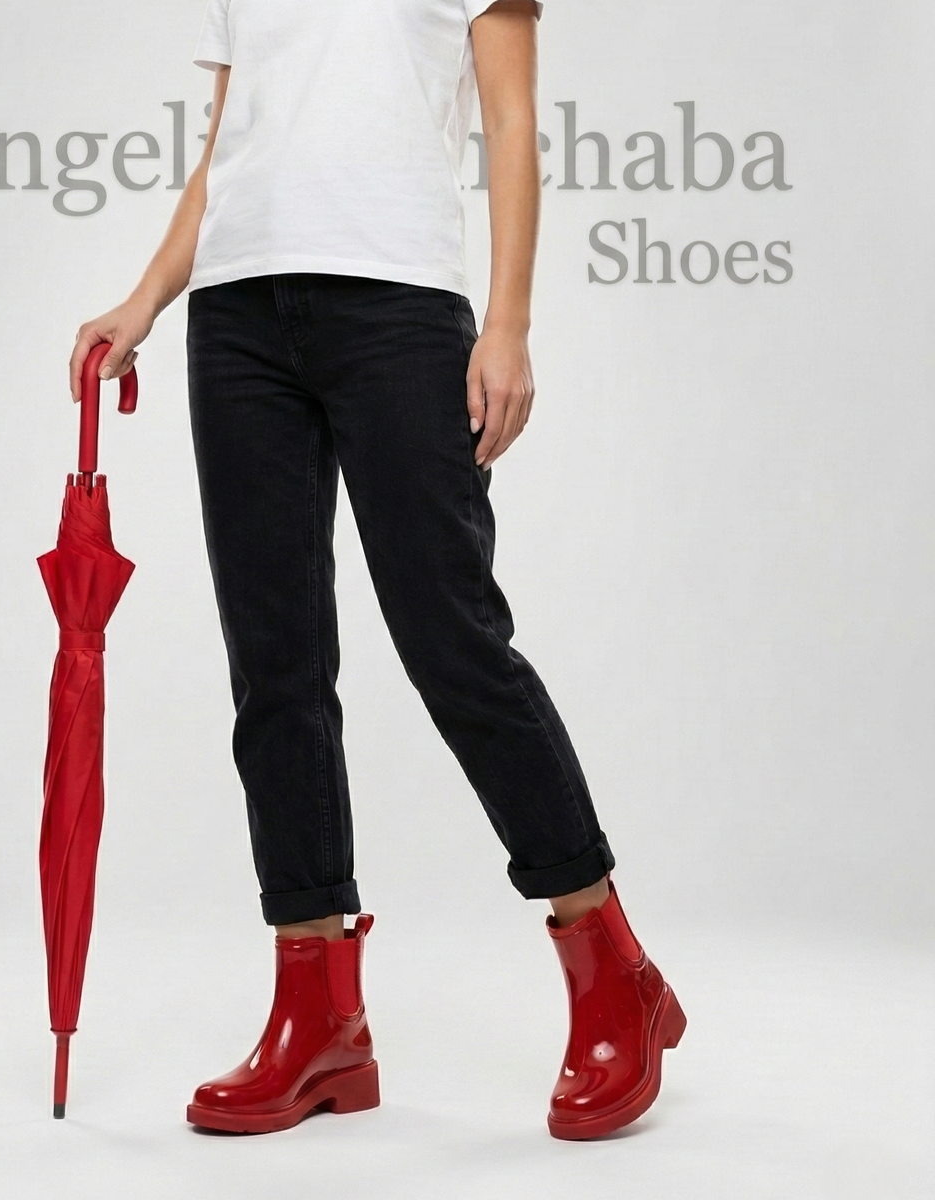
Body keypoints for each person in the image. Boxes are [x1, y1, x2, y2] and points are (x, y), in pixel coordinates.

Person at [69, 0, 684, 1140]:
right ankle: (319, 1019)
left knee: (453, 641)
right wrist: (144, 300)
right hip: (237, 317)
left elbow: (511, 122)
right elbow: (227, 146)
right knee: (275, 664)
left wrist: (508, 324)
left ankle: (613, 972)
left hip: (397, 306)